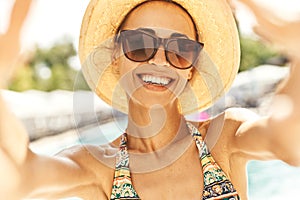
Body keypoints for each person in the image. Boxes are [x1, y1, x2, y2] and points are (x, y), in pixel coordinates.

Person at [1, 0, 300, 199]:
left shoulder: (227, 139)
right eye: (140, 45)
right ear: (115, 58)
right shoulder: (96, 167)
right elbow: (18, 178)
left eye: (180, 49)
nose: (159, 61)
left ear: (193, 66)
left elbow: (292, 142)